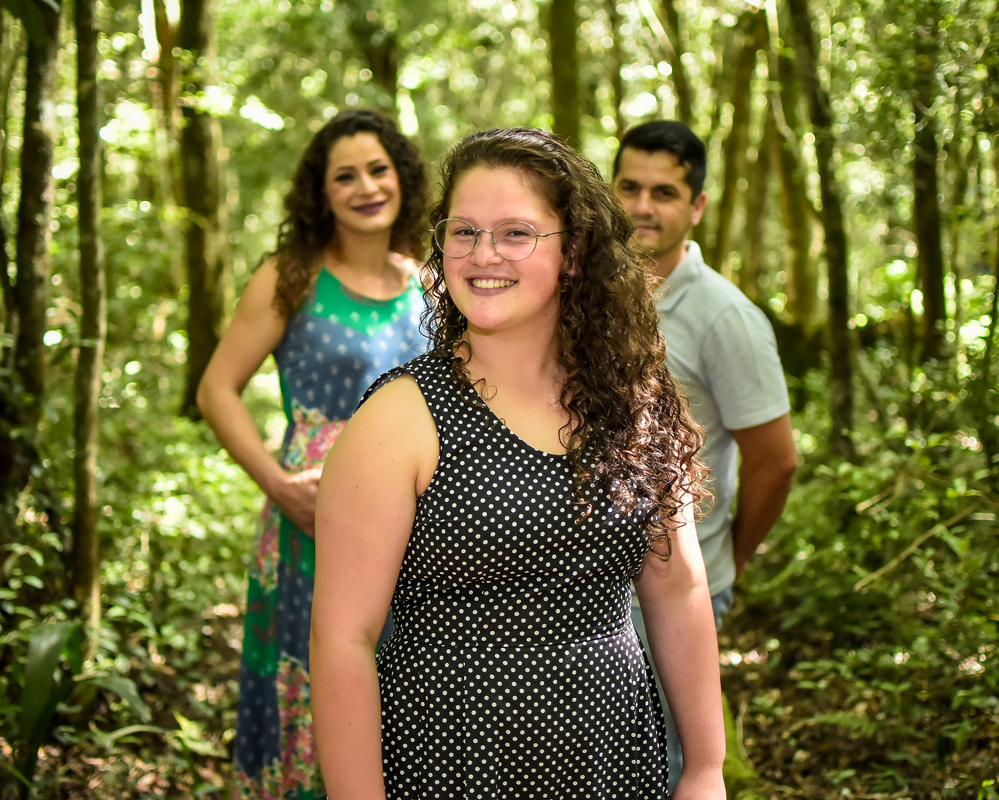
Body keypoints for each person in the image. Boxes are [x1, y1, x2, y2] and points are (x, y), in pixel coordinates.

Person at [310, 127, 727, 799]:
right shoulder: (399, 421)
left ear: (574, 252)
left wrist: (706, 767)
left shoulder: (631, 402)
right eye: (464, 232)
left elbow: (677, 588)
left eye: (515, 233)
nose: (483, 254)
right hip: (452, 766)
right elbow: (344, 641)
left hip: (614, 761)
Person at [196, 109, 429, 799]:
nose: (366, 187)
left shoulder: (430, 281)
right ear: (321, 193)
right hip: (313, 516)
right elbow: (215, 389)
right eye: (345, 176)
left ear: (402, 176)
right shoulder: (291, 276)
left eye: (378, 169)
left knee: (404, 676)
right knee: (318, 668)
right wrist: (277, 483)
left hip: (418, 513)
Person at [613, 120, 798, 787]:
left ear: (696, 207)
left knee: (670, 768)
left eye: (664, 193)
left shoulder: (727, 317)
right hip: (594, 588)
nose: (642, 206)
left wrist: (728, 561)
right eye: (630, 187)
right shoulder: (587, 295)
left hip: (678, 589)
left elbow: (776, 460)